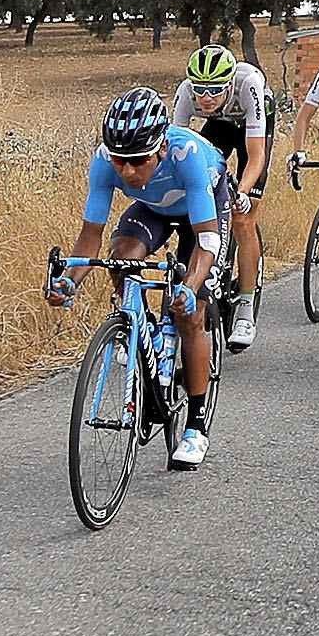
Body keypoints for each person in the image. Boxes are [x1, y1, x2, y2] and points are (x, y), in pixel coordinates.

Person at [52, 85, 225, 468]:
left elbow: (208, 240)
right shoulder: (104, 162)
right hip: (153, 208)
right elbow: (90, 237)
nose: (128, 172)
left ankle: (196, 426)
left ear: (161, 148)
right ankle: (139, 328)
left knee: (189, 314)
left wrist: (189, 287)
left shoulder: (187, 156)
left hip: (203, 213)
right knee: (122, 257)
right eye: (120, 161)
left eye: (138, 161)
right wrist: (69, 281)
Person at [168, 43, 273, 352]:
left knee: (242, 218)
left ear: (229, 84)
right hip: (220, 126)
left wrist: (242, 192)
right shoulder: (186, 94)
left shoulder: (248, 83)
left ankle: (246, 307)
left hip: (253, 126)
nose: (206, 97)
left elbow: (256, 156)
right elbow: (176, 148)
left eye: (215, 90)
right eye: (200, 89)